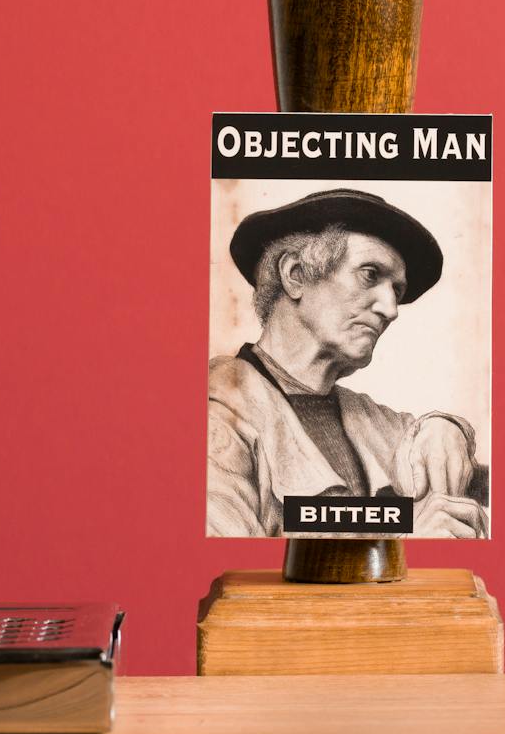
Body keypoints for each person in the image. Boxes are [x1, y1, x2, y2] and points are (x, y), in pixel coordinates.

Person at [208, 188, 488, 538]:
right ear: (295, 275)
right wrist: (404, 548)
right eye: (370, 274)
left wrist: (446, 428)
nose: (391, 309)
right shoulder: (215, 413)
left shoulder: (372, 419)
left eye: (397, 291)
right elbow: (241, 575)